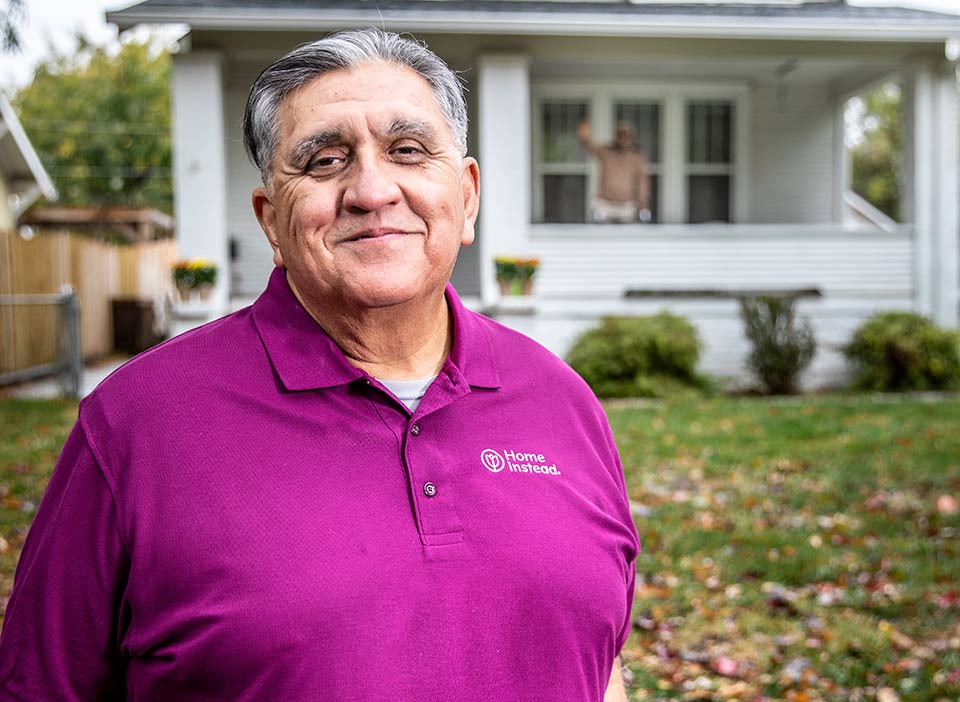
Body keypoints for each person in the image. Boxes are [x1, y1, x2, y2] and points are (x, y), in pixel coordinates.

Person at [0, 29, 639, 701]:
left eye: (409, 151)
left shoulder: (562, 402)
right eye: (326, 160)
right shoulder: (136, 422)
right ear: (272, 220)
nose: (372, 190)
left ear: (468, 196)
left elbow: (599, 662)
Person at [577, 119, 651, 223]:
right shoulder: (606, 152)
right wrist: (584, 138)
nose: (624, 138)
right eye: (621, 134)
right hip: (605, 204)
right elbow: (590, 147)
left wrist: (643, 203)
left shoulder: (637, 157)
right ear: (616, 135)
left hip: (627, 205)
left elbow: (642, 182)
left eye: (627, 135)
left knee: (628, 236)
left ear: (632, 137)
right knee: (601, 235)